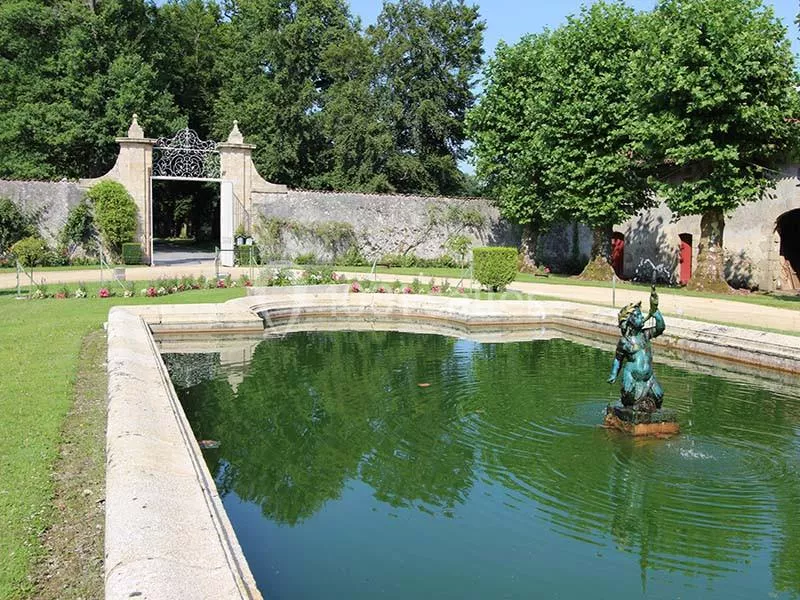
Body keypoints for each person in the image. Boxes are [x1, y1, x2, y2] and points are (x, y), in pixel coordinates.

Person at [607, 285, 665, 411]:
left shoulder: (645, 335)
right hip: (632, 377)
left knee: (659, 396)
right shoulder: (624, 342)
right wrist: (613, 374)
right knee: (630, 398)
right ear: (629, 321)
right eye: (638, 316)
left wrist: (656, 313)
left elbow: (660, 328)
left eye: (641, 315)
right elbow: (618, 359)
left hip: (649, 377)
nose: (641, 317)